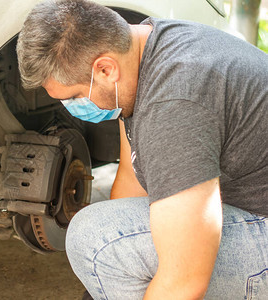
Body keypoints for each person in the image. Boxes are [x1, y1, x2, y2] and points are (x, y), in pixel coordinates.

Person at [16, 0, 268, 299]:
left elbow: (186, 281)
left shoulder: (175, 104)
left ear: (106, 69)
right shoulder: (142, 48)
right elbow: (132, 181)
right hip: (251, 207)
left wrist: (109, 259)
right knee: (106, 240)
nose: (74, 108)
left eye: (75, 96)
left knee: (97, 240)